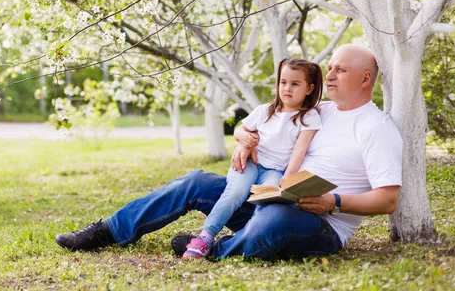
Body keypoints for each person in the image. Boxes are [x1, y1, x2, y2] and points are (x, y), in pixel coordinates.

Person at [54, 44, 403, 260]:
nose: (331, 73)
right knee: (196, 181)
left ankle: (212, 248)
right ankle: (110, 231)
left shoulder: (376, 127)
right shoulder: (316, 111)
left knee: (274, 220)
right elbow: (257, 128)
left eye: (341, 69)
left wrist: (334, 202)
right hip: (268, 196)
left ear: (366, 78)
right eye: (330, 67)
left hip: (319, 223)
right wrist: (243, 142)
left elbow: (388, 200)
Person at [182, 58, 323, 258]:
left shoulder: (308, 118)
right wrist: (246, 139)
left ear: (309, 89)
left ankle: (249, 237)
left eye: (295, 84)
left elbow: (299, 150)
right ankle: (205, 237)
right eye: (283, 82)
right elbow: (239, 130)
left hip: (275, 171)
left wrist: (289, 176)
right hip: (250, 164)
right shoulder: (264, 111)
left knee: (269, 200)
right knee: (235, 192)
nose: (287, 88)